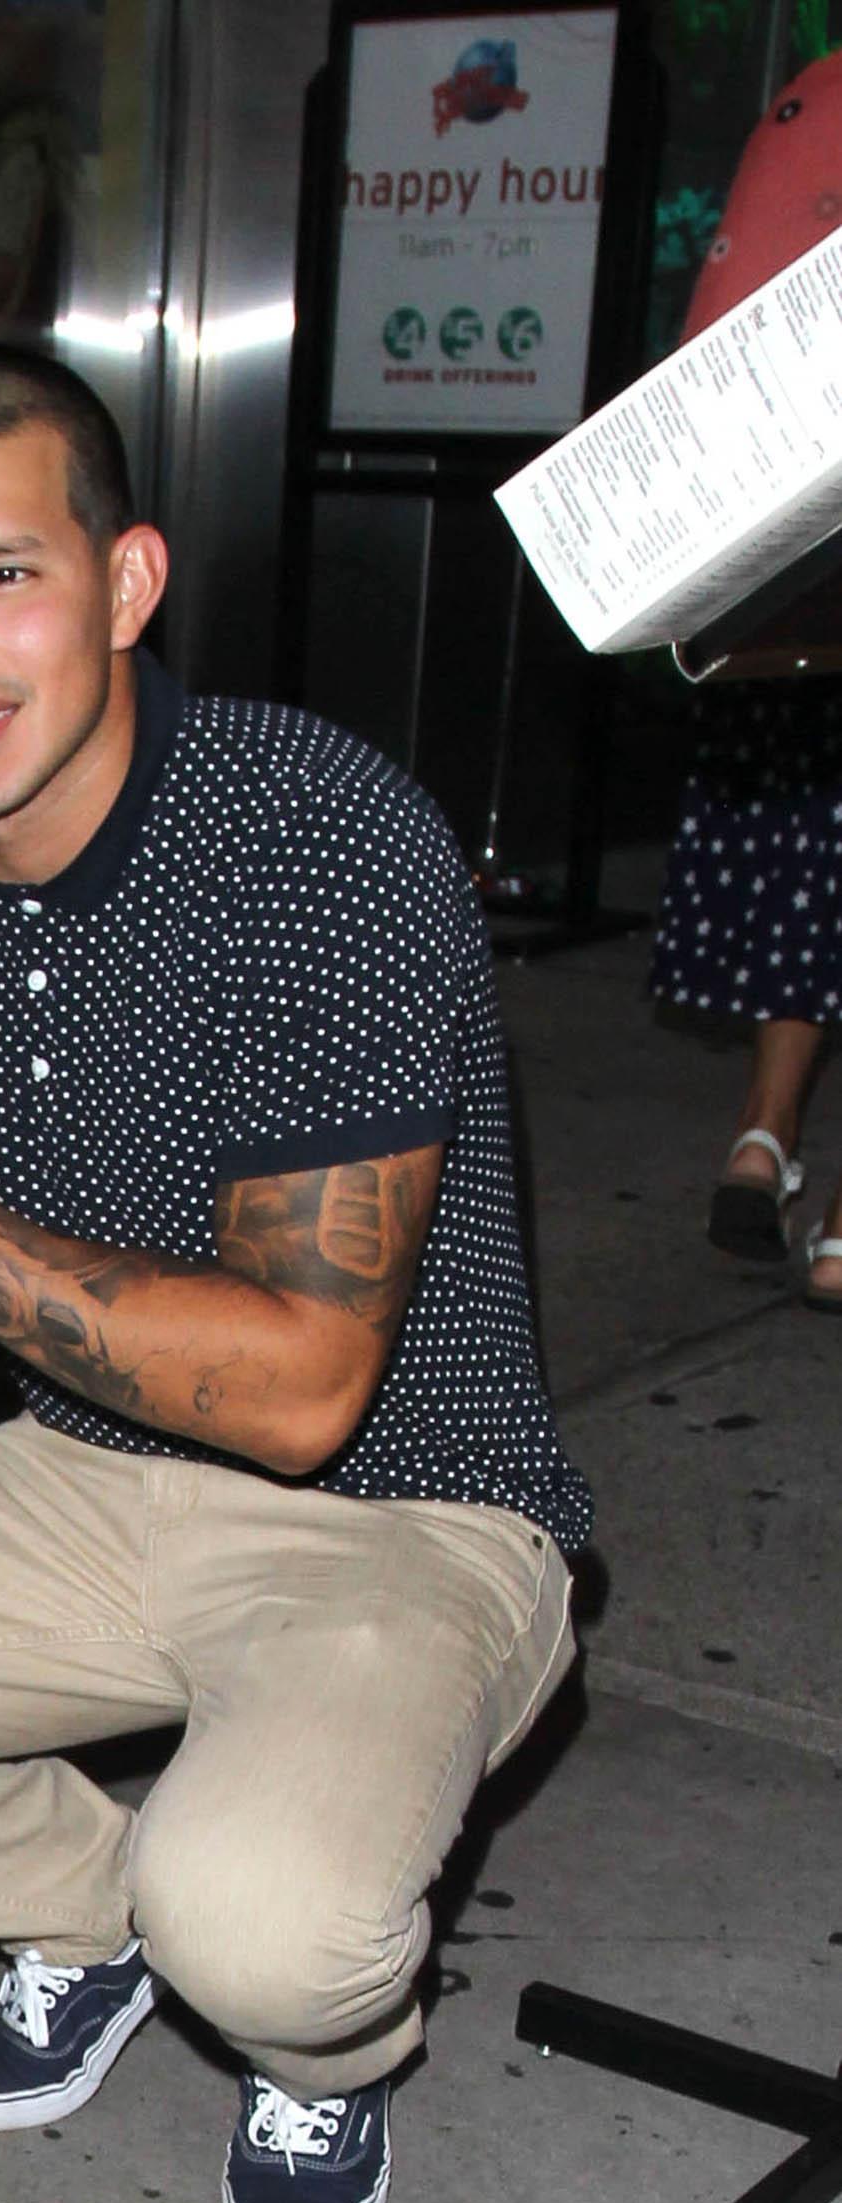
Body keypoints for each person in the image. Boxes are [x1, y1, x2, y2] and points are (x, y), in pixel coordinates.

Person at [0, 343, 592, 2203]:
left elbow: (298, 1392)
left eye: (0, 574)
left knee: (265, 1922)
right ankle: (92, 1914)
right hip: (84, 1478)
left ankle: (309, 2041)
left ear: (121, 587)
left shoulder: (317, 843)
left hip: (402, 1513)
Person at [650, 54, 842, 1310]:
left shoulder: (808, 100)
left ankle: (759, 1139)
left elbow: (706, 341)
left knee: (809, 864)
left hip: (788, 566)